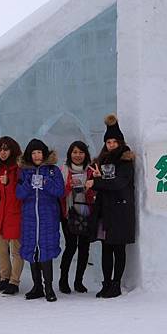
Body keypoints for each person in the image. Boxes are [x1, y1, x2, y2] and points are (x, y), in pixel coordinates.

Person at [86, 114, 136, 299]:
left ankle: (116, 284)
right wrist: (94, 178)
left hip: (120, 212)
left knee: (118, 249)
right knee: (106, 249)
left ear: (120, 142)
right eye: (109, 142)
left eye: (115, 142)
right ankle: (106, 283)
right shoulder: (101, 161)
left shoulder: (125, 161)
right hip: (105, 212)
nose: (112, 145)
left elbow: (118, 183)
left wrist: (97, 182)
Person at [16, 139, 65, 302]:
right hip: (29, 217)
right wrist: (29, 184)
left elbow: (60, 191)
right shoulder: (23, 172)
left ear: (44, 153)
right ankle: (37, 287)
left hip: (47, 216)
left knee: (46, 250)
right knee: (32, 251)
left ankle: (49, 288)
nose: (37, 155)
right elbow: (19, 194)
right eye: (33, 153)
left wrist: (45, 182)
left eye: (39, 152)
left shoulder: (53, 170)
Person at [59, 140, 95, 294]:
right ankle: (63, 280)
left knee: (84, 248)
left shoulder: (91, 171)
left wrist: (89, 188)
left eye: (81, 152)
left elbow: (96, 194)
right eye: (75, 152)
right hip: (69, 213)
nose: (78, 155)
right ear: (70, 154)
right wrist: (69, 186)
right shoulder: (63, 170)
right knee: (71, 246)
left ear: (85, 154)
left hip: (87, 212)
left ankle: (78, 281)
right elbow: (59, 193)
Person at [0, 136, 23, 295]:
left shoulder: (19, 168)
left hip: (16, 213)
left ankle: (14, 281)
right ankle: (4, 278)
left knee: (16, 250)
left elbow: (21, 192)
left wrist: (9, 183)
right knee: (0, 248)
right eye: (0, 149)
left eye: (6, 149)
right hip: (3, 214)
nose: (2, 152)